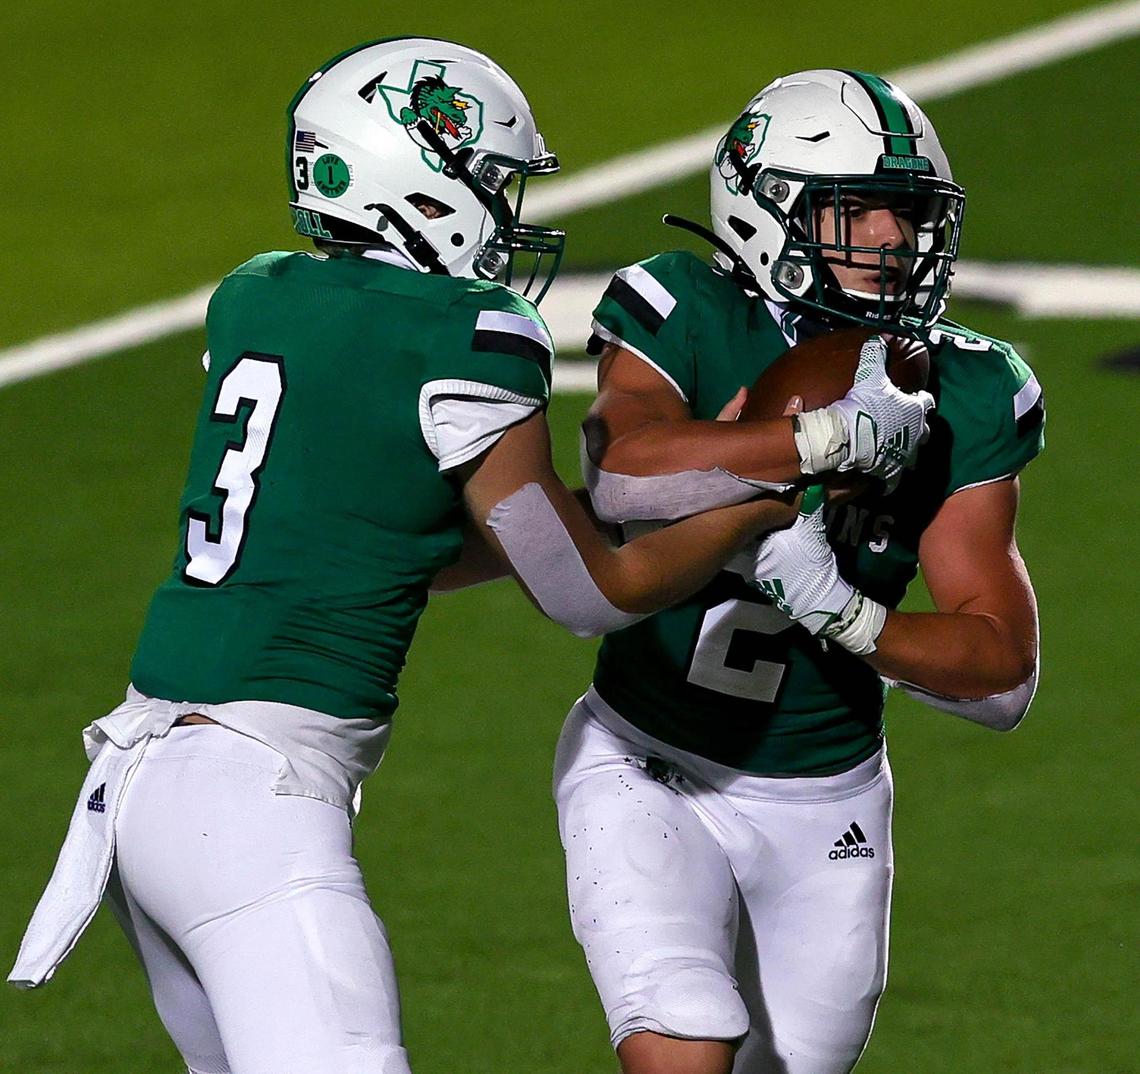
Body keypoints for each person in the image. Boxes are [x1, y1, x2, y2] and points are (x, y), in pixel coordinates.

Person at [8, 39, 803, 1074]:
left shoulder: (255, 296)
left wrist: (626, 520)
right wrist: (753, 507)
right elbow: (588, 597)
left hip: (145, 791)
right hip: (256, 803)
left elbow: (377, 539)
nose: (507, 216)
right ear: (418, 177)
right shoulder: (466, 333)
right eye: (491, 183)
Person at [554, 68, 1044, 1074]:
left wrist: (844, 614)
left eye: (907, 217)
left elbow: (1000, 674)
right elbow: (620, 478)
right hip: (650, 760)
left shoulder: (969, 384)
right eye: (856, 212)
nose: (891, 242)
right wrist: (814, 447)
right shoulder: (683, 305)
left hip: (828, 795)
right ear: (764, 209)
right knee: (684, 1033)